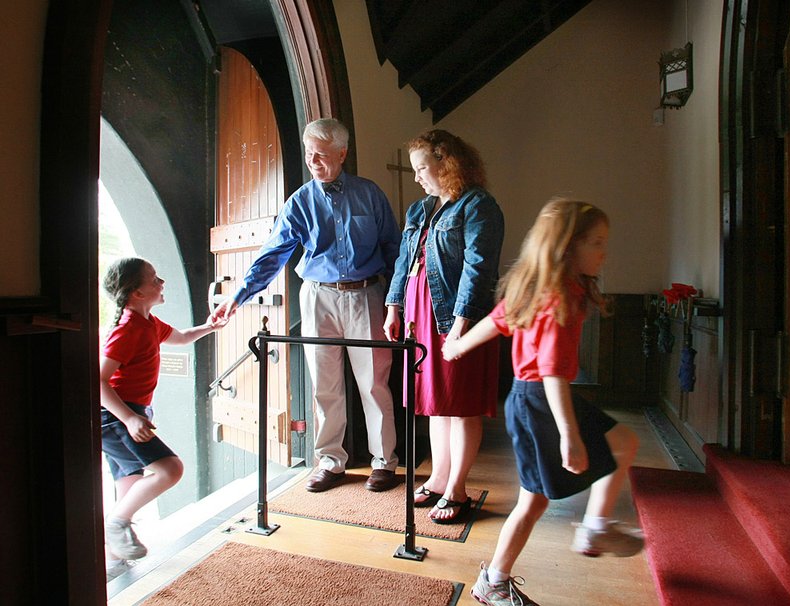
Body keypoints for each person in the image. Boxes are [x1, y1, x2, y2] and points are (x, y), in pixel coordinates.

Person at [442, 199, 643, 605]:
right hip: (540, 400)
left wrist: (459, 345)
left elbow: (497, 320)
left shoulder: (544, 287)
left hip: (539, 397)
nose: (604, 252)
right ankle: (495, 580)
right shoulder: (557, 298)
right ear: (568, 247)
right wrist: (569, 434)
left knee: (621, 443)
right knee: (534, 501)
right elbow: (551, 369)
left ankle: (595, 526)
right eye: (597, 243)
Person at [211, 118, 401, 493]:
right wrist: (239, 295)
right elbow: (273, 254)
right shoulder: (299, 201)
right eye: (309, 152)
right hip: (318, 297)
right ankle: (331, 461)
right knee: (324, 385)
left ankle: (385, 461)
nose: (313, 160)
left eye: (322, 154)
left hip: (367, 295)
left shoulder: (370, 194)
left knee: (375, 382)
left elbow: (393, 249)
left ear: (342, 154)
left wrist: (398, 302)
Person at [384, 129, 504, 524]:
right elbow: (405, 260)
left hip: (456, 316)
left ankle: (458, 490)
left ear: (446, 162)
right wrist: (393, 306)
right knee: (436, 404)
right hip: (420, 314)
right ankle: (437, 478)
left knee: (462, 404)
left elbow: (478, 268)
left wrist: (462, 324)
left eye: (422, 168)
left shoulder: (478, 205)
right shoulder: (420, 210)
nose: (417, 176)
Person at [100, 257, 228, 581]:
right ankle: (114, 524)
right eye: (154, 279)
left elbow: (182, 337)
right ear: (136, 292)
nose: (162, 282)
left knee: (129, 484)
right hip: (114, 414)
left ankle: (113, 563)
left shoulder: (148, 322)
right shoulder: (127, 328)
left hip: (130, 412)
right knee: (170, 469)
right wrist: (129, 418)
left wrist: (210, 326)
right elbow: (98, 380)